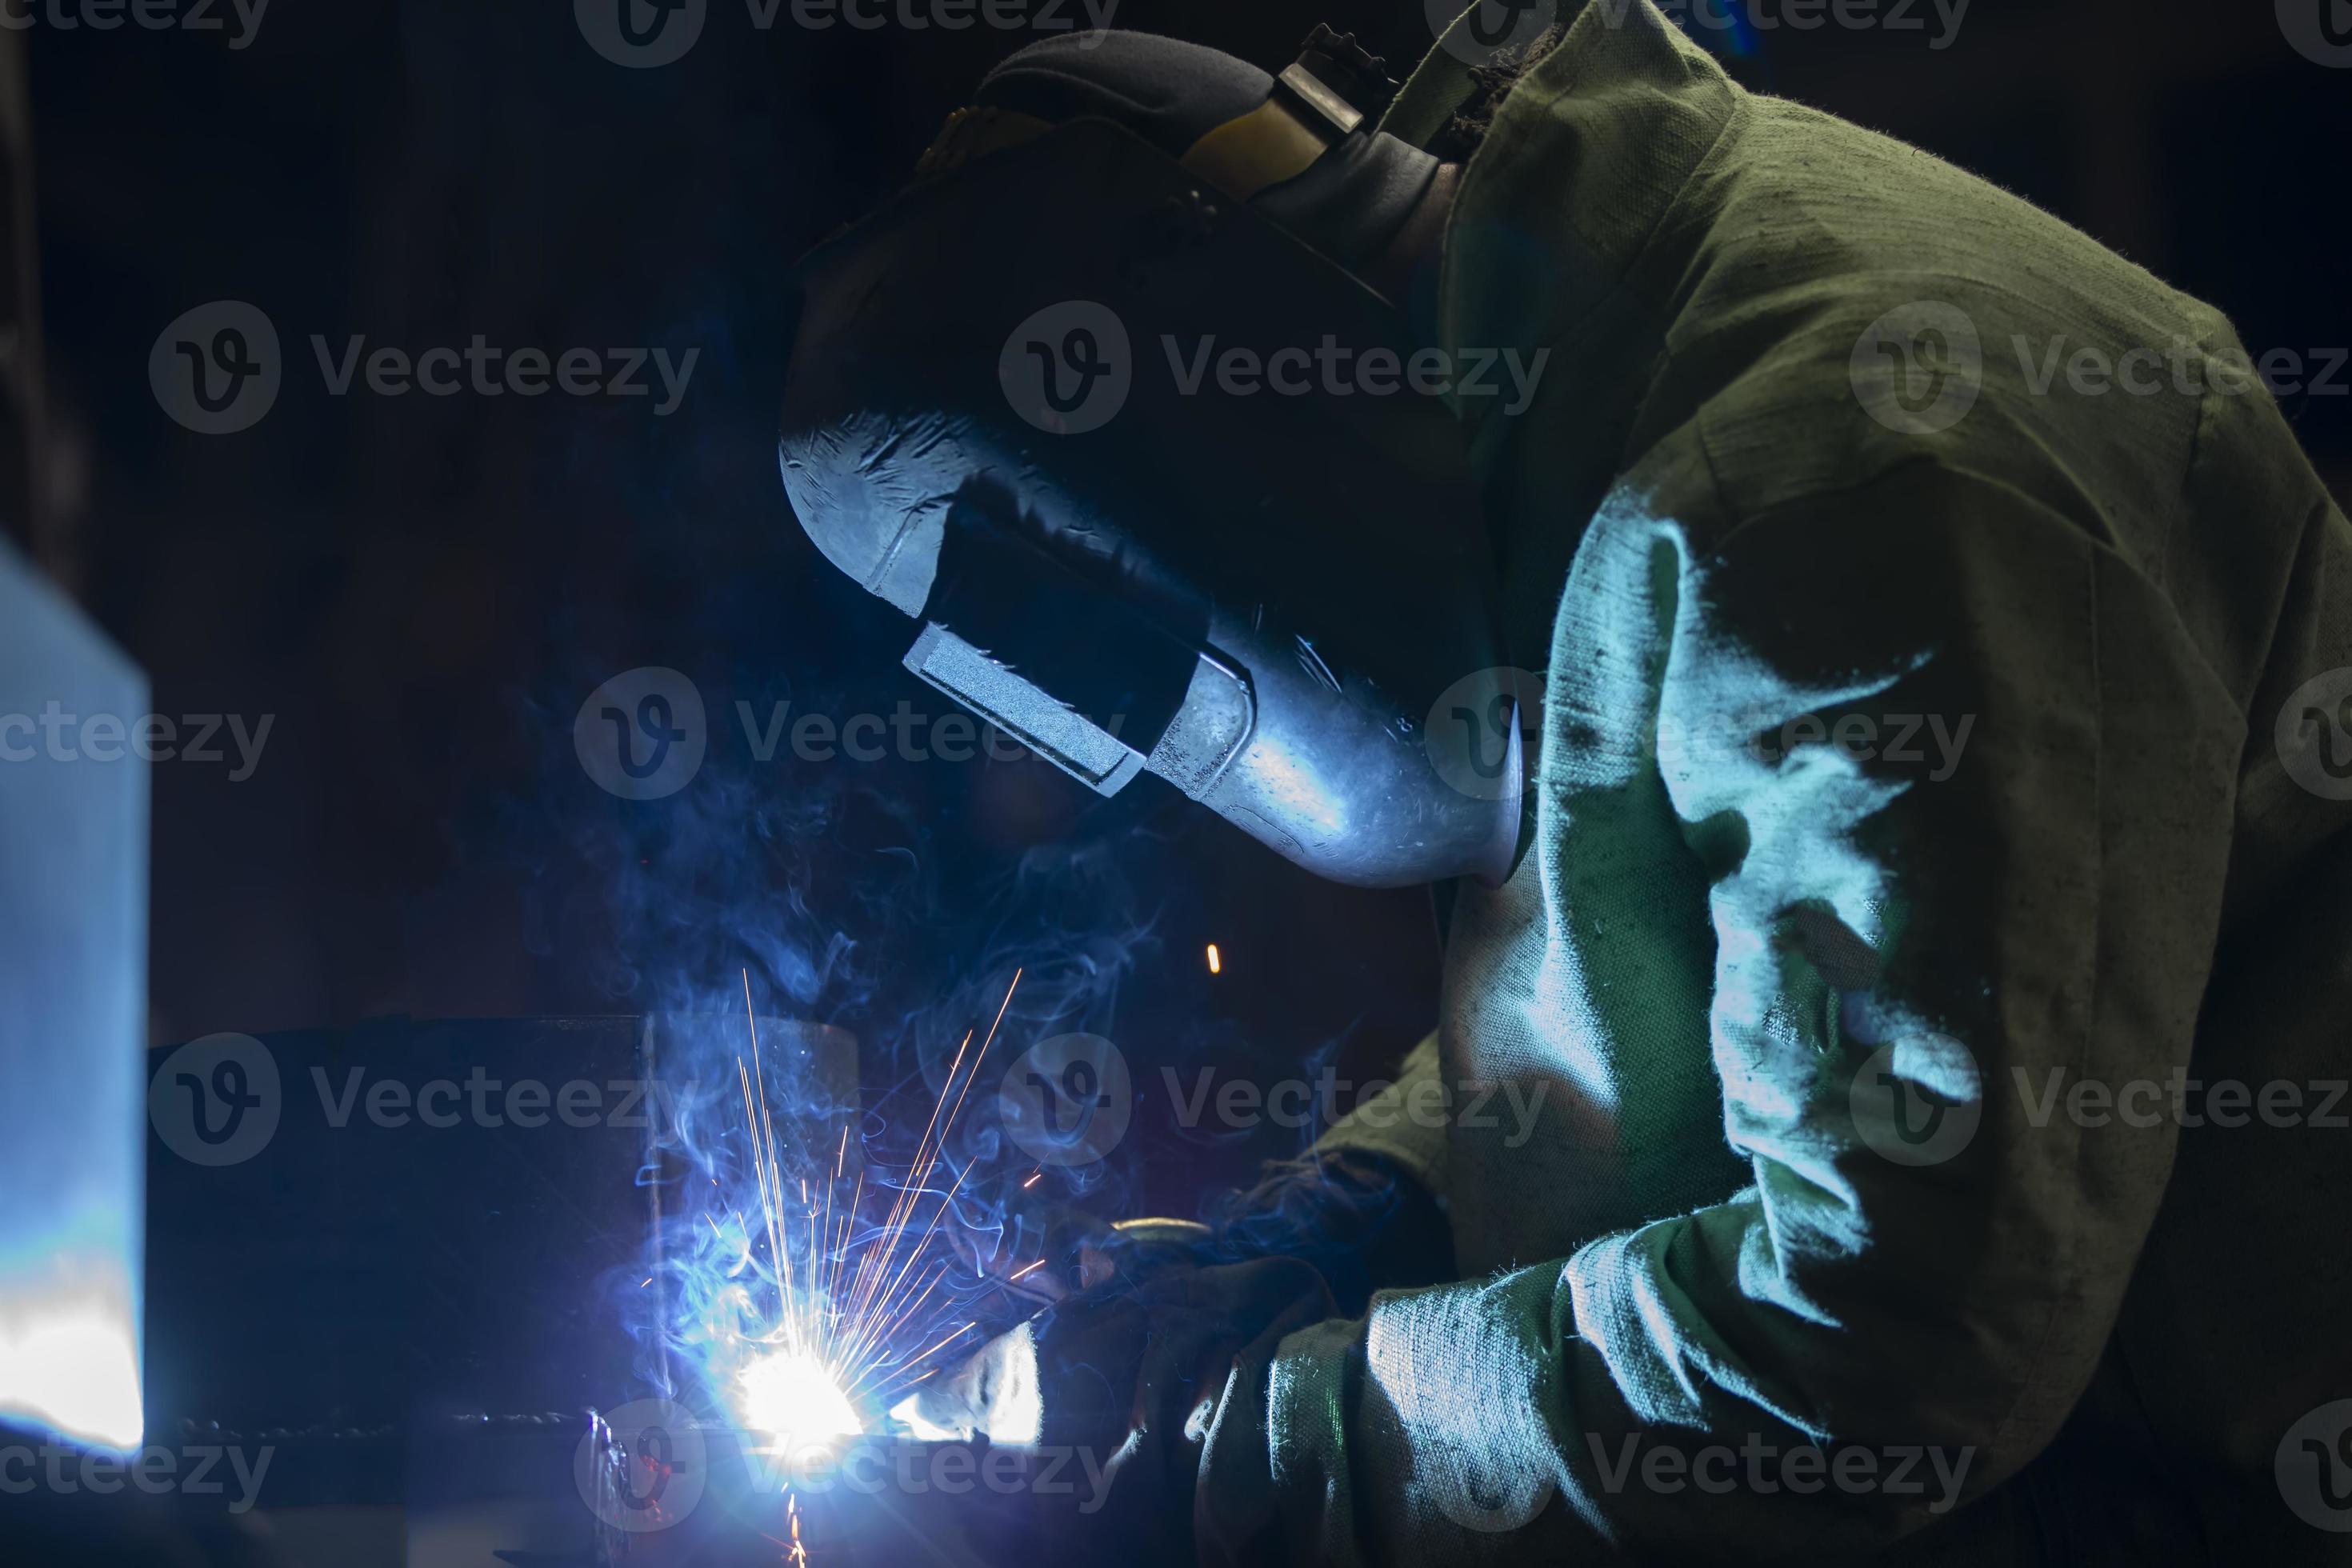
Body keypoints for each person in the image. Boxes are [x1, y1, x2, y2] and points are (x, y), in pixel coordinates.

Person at [780, 6, 2352, 1562]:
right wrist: (1365, 1207)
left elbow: (1878, 1349)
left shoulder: (1843, 486)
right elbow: (1682, 981)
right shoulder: (1564, 385)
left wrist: (1240, 1439)